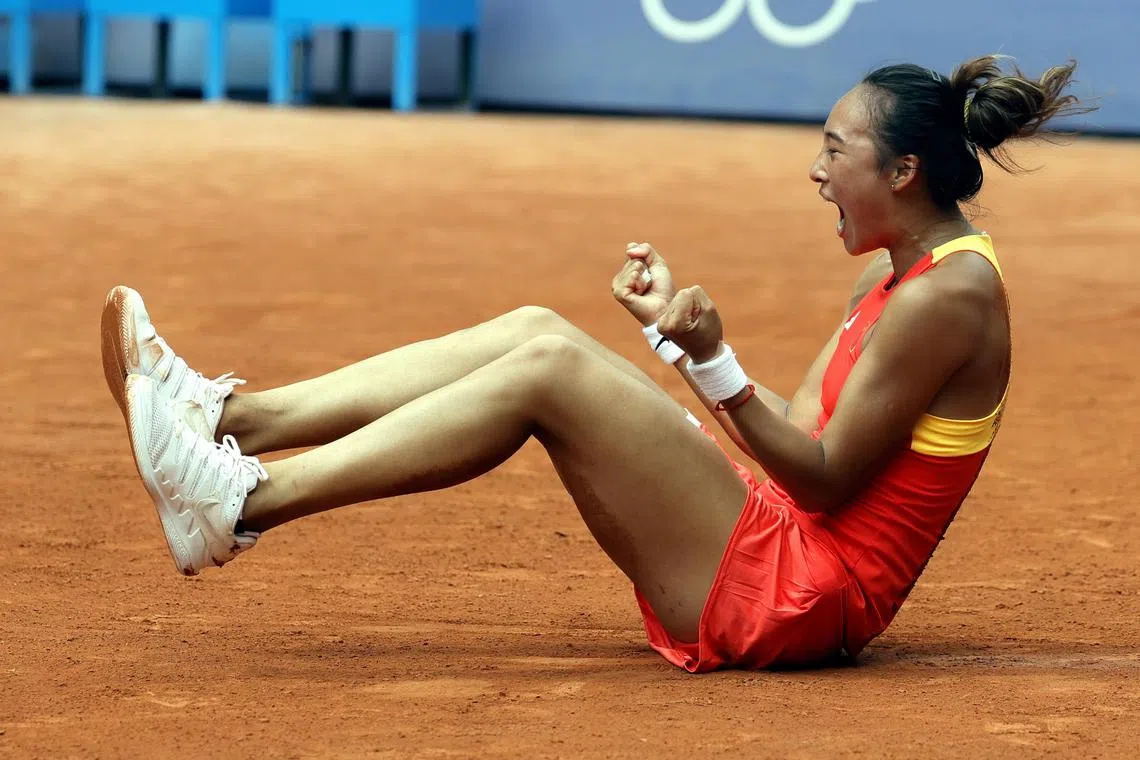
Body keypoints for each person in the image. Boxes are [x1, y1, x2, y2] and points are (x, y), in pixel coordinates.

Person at [102, 54, 1091, 673]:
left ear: (903, 172)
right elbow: (804, 422)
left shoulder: (951, 295)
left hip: (802, 597)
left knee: (549, 374)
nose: (817, 170)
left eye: (837, 151)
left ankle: (240, 502)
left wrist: (712, 365)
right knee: (537, 328)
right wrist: (681, 337)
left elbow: (824, 478)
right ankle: (231, 419)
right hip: (785, 544)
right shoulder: (904, 272)